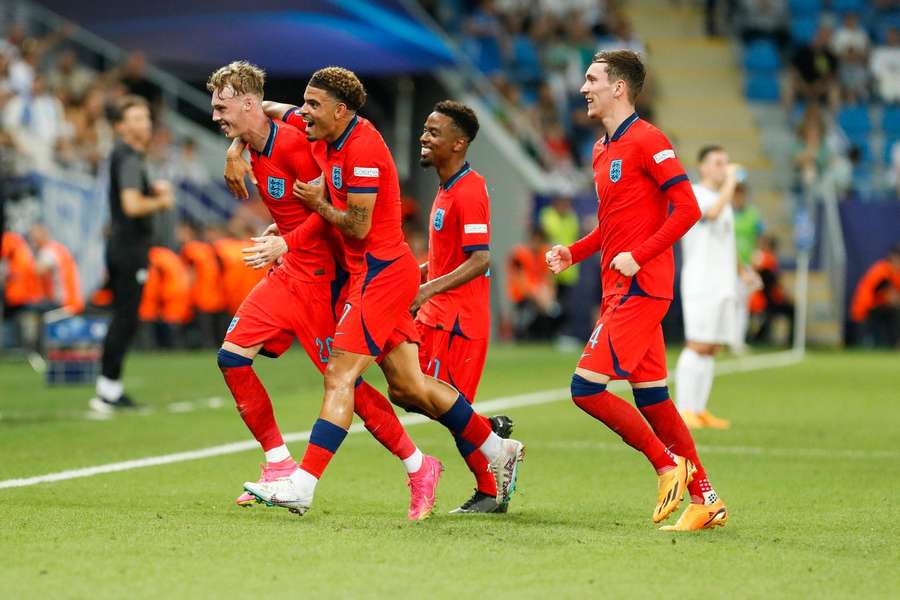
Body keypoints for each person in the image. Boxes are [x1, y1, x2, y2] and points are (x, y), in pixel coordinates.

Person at [236, 67, 525, 516]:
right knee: (408, 387)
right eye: (306, 103)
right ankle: (495, 447)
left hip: (381, 275)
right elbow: (270, 113)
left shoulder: (363, 149)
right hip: (368, 273)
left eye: (314, 105)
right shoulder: (323, 128)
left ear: (341, 110)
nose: (305, 112)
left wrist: (316, 205)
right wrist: (236, 146)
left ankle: (303, 484)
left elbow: (358, 224)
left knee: (339, 374)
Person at [208, 61, 442, 520]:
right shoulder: (251, 142)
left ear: (250, 103)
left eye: (222, 107)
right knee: (232, 356)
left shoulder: (297, 143)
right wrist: (235, 146)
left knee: (345, 381)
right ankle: (279, 463)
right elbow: (263, 135)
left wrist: (284, 240)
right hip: (289, 273)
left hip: (323, 280)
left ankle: (419, 466)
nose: (215, 116)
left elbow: (331, 207)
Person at [545, 50, 727, 531]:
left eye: (592, 78)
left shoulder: (649, 140)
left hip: (641, 288)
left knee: (585, 388)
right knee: (653, 400)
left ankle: (666, 465)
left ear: (618, 88)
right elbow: (612, 226)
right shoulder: (601, 149)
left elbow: (687, 208)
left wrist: (641, 256)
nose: (583, 87)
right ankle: (706, 499)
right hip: (616, 288)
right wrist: (575, 252)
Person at [413, 100, 515, 513]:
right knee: (411, 390)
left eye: (434, 133)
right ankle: (490, 432)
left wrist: (427, 289)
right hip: (437, 313)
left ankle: (490, 488)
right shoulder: (446, 187)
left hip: (459, 321)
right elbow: (447, 259)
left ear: (458, 143)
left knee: (444, 405)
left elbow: (480, 259)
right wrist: (415, 276)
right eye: (425, 129)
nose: (424, 137)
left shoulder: (470, 190)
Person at [90, 95, 174, 413]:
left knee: (125, 317)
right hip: (128, 248)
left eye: (146, 117)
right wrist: (160, 202)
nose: (144, 124)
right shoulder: (128, 156)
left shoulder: (129, 155)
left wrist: (152, 192)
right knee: (125, 318)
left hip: (125, 246)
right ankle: (107, 390)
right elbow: (131, 205)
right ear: (121, 127)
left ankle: (109, 388)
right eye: (136, 119)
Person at [674, 146, 742, 430]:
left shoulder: (721, 198)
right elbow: (711, 215)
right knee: (697, 343)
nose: (723, 167)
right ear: (702, 167)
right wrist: (730, 184)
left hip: (722, 282)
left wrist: (742, 270)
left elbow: (725, 241)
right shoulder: (695, 193)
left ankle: (699, 409)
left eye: (726, 162)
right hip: (701, 281)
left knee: (712, 346)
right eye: (717, 162)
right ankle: (683, 409)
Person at [849, 245, 900, 348]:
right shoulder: (881, 271)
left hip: (878, 308)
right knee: (894, 312)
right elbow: (891, 298)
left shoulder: (894, 273)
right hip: (865, 310)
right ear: (893, 258)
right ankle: (896, 344)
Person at [29, 223, 83, 314]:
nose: (33, 241)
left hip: (63, 305)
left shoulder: (47, 251)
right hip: (73, 301)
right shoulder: (59, 247)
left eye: (33, 238)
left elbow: (39, 270)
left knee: (26, 309)